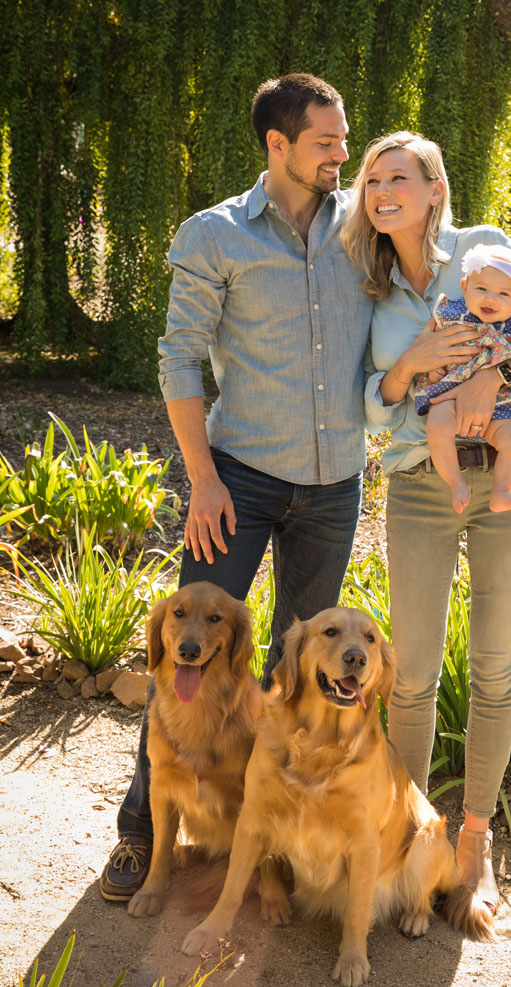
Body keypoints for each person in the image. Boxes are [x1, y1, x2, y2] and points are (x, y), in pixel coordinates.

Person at [100, 73, 374, 902]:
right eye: (326, 141)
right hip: (239, 485)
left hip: (334, 489)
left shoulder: (364, 224)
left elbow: (452, 251)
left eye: (344, 139)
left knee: (298, 675)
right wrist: (204, 479)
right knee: (184, 663)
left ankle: (275, 839)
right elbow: (179, 357)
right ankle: (140, 832)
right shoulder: (214, 234)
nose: (341, 154)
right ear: (277, 144)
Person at [341, 131, 511, 931]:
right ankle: (408, 841)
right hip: (417, 483)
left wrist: (488, 372)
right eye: (372, 178)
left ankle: (471, 846)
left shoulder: (483, 250)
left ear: (435, 189)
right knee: (407, 675)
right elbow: (367, 403)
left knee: (493, 669)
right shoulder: (367, 288)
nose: (381, 189)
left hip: (507, 475)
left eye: (397, 176)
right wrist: (408, 368)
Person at [415, 242, 511, 513]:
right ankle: (455, 483)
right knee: (437, 425)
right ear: (465, 287)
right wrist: (433, 370)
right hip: (451, 396)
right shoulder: (450, 315)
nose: (491, 299)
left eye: (504, 293)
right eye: (482, 289)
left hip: (500, 407)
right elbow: (430, 352)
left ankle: (501, 492)